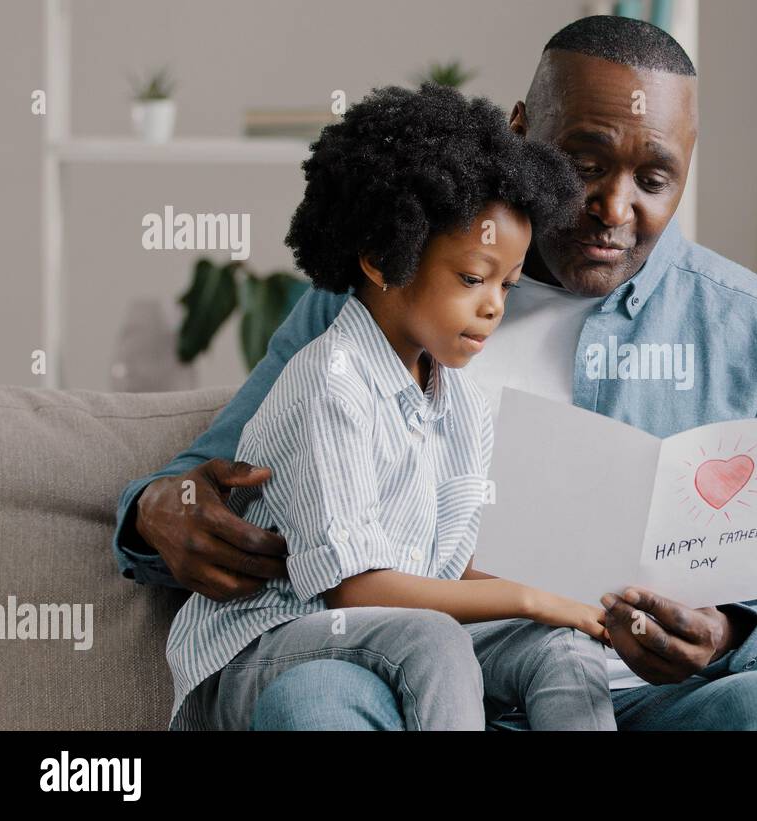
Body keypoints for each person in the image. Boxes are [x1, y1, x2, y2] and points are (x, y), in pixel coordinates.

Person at [116, 15, 757, 731]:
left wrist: (727, 634)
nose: (615, 207)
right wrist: (160, 507)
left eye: (654, 179)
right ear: (522, 131)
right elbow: (211, 472)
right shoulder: (377, 297)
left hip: (633, 700)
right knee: (317, 691)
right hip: (404, 682)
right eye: (584, 165)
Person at [168, 83, 616, 731]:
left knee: (564, 651)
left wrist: (565, 604)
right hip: (269, 644)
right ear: (384, 257)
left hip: (392, 629)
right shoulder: (331, 381)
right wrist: (527, 595)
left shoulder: (458, 398)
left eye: (507, 285)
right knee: (436, 638)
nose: (494, 305)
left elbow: (446, 566)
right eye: (472, 278)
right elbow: (357, 589)